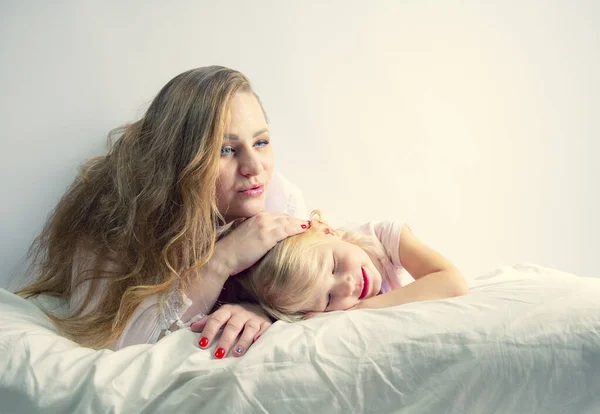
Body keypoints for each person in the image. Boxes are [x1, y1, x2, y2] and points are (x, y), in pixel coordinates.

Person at [16, 66, 309, 358]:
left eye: (261, 142)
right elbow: (108, 344)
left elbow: (318, 290)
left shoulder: (279, 201)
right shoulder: (115, 217)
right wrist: (223, 260)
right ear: (181, 160)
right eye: (226, 150)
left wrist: (260, 310)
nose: (255, 167)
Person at [227, 210, 469, 322]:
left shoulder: (385, 237)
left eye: (334, 266)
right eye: (329, 299)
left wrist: (362, 308)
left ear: (326, 230)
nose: (347, 286)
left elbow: (453, 282)